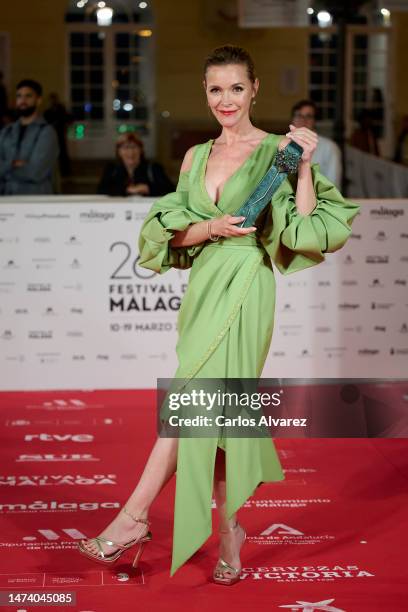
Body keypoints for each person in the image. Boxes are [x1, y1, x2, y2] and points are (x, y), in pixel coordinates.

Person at [78, 45, 359, 584]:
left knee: (192, 401)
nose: (225, 100)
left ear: (254, 89)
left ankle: (132, 518)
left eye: (235, 88)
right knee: (222, 414)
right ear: (205, 94)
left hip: (248, 283)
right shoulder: (194, 157)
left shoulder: (279, 150)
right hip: (205, 283)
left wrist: (302, 171)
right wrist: (213, 228)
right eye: (215, 90)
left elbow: (300, 232)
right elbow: (171, 232)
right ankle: (231, 534)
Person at [0, 79, 59, 195]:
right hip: (6, 199)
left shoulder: (47, 132)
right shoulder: (6, 132)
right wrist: (14, 163)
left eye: (28, 96)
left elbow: (35, 172)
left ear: (38, 100)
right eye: (19, 96)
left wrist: (6, 165)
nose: (22, 100)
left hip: (34, 200)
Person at [97, 132, 175, 197]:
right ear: (119, 151)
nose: (130, 152)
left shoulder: (154, 168)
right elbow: (101, 191)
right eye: (126, 147)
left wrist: (148, 188)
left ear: (141, 150)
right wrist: (126, 190)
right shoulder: (111, 169)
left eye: (134, 147)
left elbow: (170, 190)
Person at [291, 99, 342, 188]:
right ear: (292, 120)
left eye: (308, 116)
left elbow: (333, 185)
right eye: (299, 115)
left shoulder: (329, 147)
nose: (303, 120)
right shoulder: (284, 145)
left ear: (314, 121)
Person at [44, 92, 72, 176]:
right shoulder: (48, 111)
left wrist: (63, 124)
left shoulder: (61, 109)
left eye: (54, 99)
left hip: (59, 133)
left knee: (63, 152)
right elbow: (46, 120)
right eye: (51, 99)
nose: (52, 101)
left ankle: (65, 171)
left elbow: (67, 118)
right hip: (51, 134)